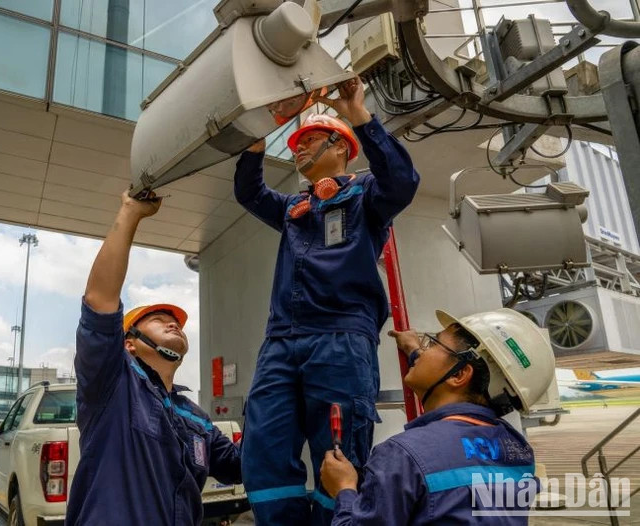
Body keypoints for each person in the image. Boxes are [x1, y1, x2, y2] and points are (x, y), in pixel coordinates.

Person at [234, 76, 420, 525]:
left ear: (341, 148)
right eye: (297, 142)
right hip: (281, 341)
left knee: (338, 457)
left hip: (341, 338)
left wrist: (357, 110)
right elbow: (250, 193)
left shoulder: (366, 198)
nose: (298, 149)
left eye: (311, 140)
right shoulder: (293, 208)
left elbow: (402, 181)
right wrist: (260, 132)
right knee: (262, 448)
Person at [66, 191, 242, 525]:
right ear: (128, 344)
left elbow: (240, 466)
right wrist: (131, 212)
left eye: (175, 321)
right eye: (158, 320)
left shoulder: (197, 418)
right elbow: (99, 299)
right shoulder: (113, 386)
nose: (173, 322)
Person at [321, 308, 556, 525]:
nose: (422, 350)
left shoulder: (401, 455)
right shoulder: (518, 450)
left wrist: (344, 489)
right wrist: (414, 351)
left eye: (433, 343)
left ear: (461, 374)